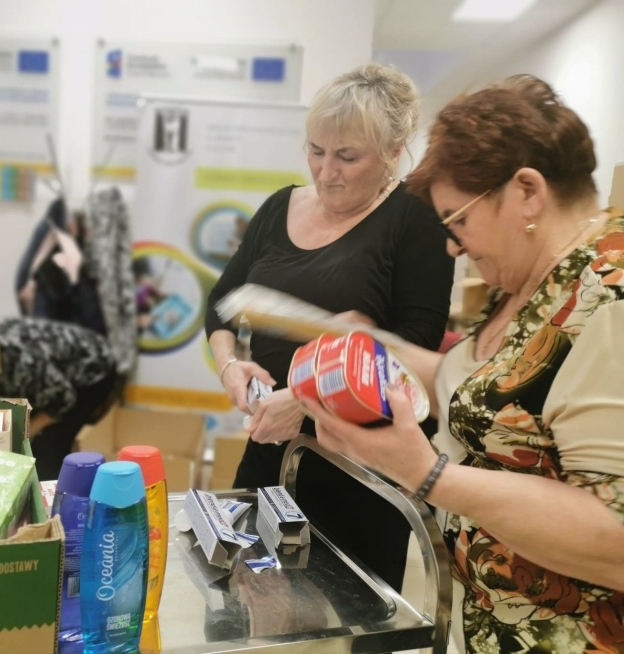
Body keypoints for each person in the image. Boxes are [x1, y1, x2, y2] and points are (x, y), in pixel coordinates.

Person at [302, 75, 624, 653]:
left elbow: (616, 536)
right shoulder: (530, 279)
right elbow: (487, 392)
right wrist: (374, 343)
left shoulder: (609, 297)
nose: (451, 245)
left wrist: (428, 475)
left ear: (527, 192)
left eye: (459, 221)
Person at [205, 63, 455, 591]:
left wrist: (304, 399)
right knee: (239, 600)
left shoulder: (414, 220)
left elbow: (414, 351)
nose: (326, 172)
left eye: (347, 157)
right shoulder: (280, 207)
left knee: (343, 619)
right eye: (315, 151)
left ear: (393, 151)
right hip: (271, 446)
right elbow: (222, 305)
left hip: (359, 465)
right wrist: (230, 364)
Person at [0, 317, 117, 480]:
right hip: (45, 373)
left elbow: (63, 399)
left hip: (91, 373)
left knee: (44, 452)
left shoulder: (28, 364)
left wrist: (30, 431)